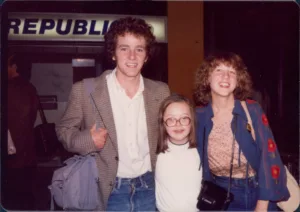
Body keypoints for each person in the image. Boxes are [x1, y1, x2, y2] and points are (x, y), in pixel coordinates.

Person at [56, 17, 170, 211]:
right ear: (113, 54)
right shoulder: (85, 89)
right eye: (124, 48)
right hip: (107, 190)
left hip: (150, 188)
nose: (132, 56)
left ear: (147, 56)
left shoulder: (161, 91)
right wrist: (88, 140)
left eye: (139, 49)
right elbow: (63, 130)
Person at [193, 52, 289, 211]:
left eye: (232, 72)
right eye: (219, 70)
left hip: (257, 190)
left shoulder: (251, 110)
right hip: (219, 193)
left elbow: (269, 155)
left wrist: (263, 202)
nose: (226, 77)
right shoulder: (198, 115)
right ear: (207, 78)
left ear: (238, 80)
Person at [3, 53, 39, 210]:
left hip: (12, 155)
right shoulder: (30, 88)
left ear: (15, 67)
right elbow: (30, 118)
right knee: (25, 194)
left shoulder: (8, 88)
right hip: (27, 152)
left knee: (12, 197)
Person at [155, 94, 202, 212]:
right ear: (163, 123)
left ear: (192, 121)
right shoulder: (155, 152)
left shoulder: (201, 150)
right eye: (171, 119)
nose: (178, 124)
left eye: (184, 118)